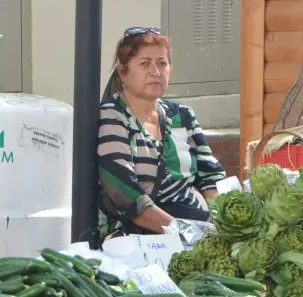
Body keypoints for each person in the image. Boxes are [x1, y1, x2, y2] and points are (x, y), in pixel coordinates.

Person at [96, 27, 227, 240]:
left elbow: (210, 176)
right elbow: (127, 197)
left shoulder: (182, 115)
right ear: (123, 72)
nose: (155, 72)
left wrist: (222, 226)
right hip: (149, 239)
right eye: (145, 63)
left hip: (201, 234)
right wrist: (186, 234)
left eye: (162, 63)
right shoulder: (113, 115)